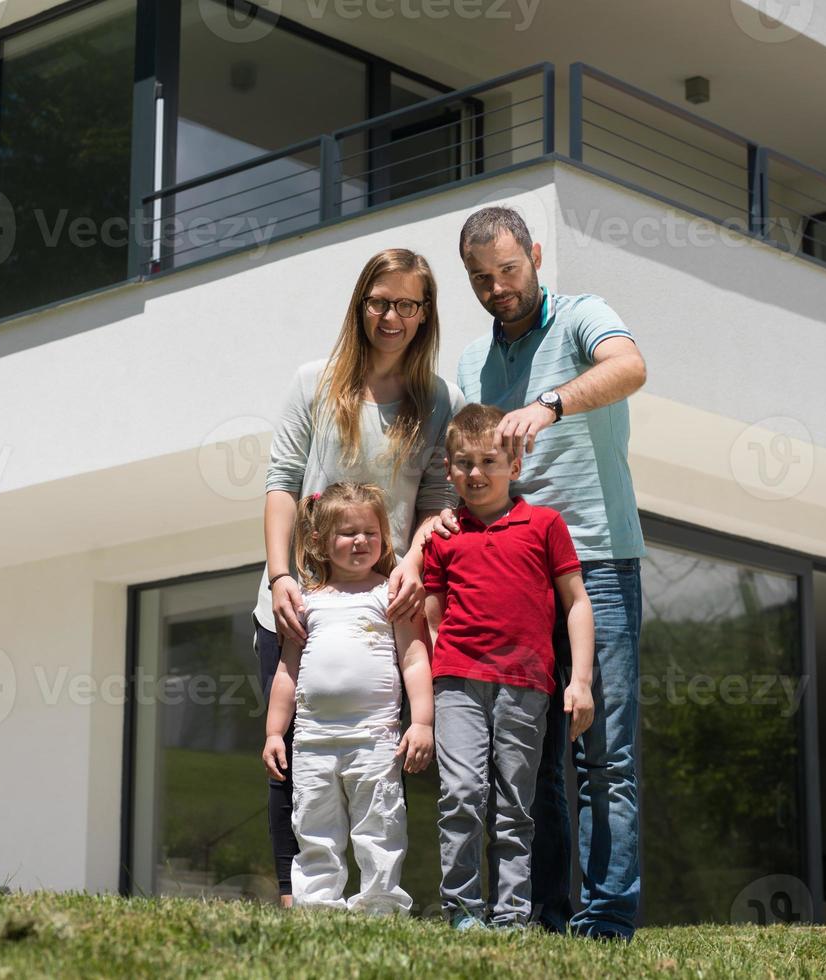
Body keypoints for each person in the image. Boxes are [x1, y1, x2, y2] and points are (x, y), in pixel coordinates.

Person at [453, 207, 649, 940]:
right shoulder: (473, 361)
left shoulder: (581, 317)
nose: (498, 288)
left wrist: (551, 403)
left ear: (534, 255)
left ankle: (607, 917)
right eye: (481, 280)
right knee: (528, 760)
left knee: (603, 752)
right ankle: (542, 911)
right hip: (515, 573)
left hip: (596, 560)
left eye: (508, 270)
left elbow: (629, 366)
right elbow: (472, 459)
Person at [252, 248, 462, 906]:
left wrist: (414, 567)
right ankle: (297, 898)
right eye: (380, 301)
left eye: (407, 304)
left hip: (380, 609)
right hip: (299, 601)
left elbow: (434, 507)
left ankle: (376, 894)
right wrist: (281, 574)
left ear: (424, 315)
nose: (391, 316)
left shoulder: (434, 400)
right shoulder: (314, 381)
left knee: (374, 759)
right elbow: (281, 484)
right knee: (292, 750)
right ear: (360, 304)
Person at [422, 403, 595, 930]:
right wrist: (440, 674)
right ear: (449, 469)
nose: (476, 473)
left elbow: (577, 602)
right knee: (461, 794)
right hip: (458, 685)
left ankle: (513, 916)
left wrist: (580, 681)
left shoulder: (545, 525)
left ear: (514, 466)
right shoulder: (444, 537)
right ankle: (462, 910)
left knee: (517, 804)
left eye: (488, 461)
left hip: (527, 684)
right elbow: (432, 616)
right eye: (463, 463)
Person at [262, 482, 434, 912]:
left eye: (370, 532)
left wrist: (422, 722)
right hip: (313, 740)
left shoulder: (391, 594)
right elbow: (287, 671)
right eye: (348, 533)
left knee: (379, 826)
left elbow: (414, 659)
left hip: (375, 738)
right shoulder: (306, 602)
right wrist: (274, 733)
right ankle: (317, 904)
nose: (361, 541)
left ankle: (380, 904)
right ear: (319, 540)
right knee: (314, 825)